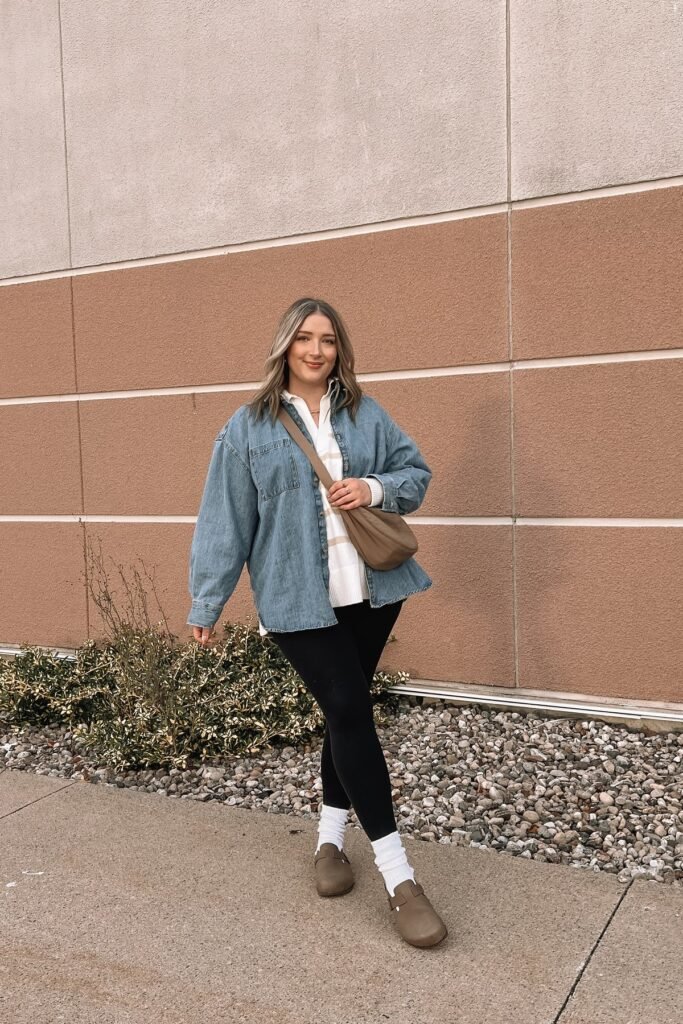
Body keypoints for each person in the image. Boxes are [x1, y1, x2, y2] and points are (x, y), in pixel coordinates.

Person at [187, 297, 447, 948]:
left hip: (372, 589)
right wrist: (207, 601)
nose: (316, 349)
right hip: (297, 600)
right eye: (304, 338)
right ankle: (399, 878)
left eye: (327, 339)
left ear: (339, 350)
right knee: (348, 707)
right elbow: (225, 520)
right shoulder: (246, 428)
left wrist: (372, 489)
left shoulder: (365, 412)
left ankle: (330, 843)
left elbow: (414, 475)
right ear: (285, 346)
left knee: (345, 712)